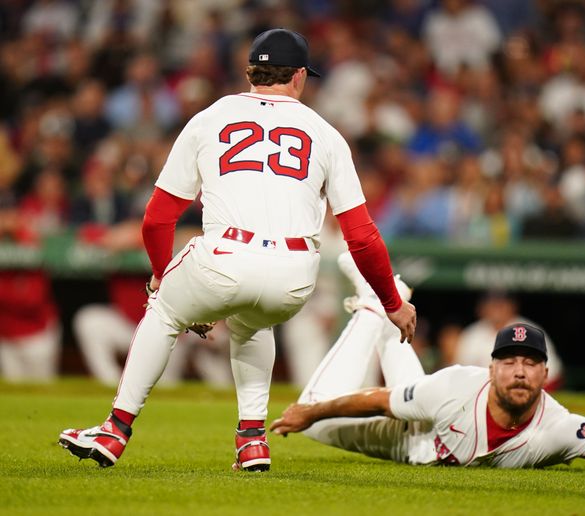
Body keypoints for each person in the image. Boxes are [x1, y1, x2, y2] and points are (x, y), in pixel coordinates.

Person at [59, 28, 416, 472]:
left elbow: (157, 219)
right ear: (300, 76)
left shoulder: (211, 117)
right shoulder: (326, 134)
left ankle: (115, 429)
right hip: (293, 274)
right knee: (253, 320)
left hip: (225, 257)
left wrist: (160, 277)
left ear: (251, 71)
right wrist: (391, 302)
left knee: (165, 309)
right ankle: (251, 441)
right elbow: (362, 236)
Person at [270, 259, 585, 477]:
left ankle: (386, 297)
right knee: (317, 415)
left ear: (545, 374)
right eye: (510, 362)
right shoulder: (459, 384)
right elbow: (377, 400)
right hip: (409, 434)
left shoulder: (557, 426)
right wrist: (310, 415)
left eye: (530, 363)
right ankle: (379, 304)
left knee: (411, 382)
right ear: (492, 367)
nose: (520, 371)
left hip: (430, 424)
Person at [446, 290, 563, 390]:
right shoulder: (472, 334)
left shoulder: (530, 331)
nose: (497, 308)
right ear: (481, 308)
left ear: (513, 306)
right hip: (481, 397)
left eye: (502, 303)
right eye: (492, 303)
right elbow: (459, 374)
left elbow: (553, 373)